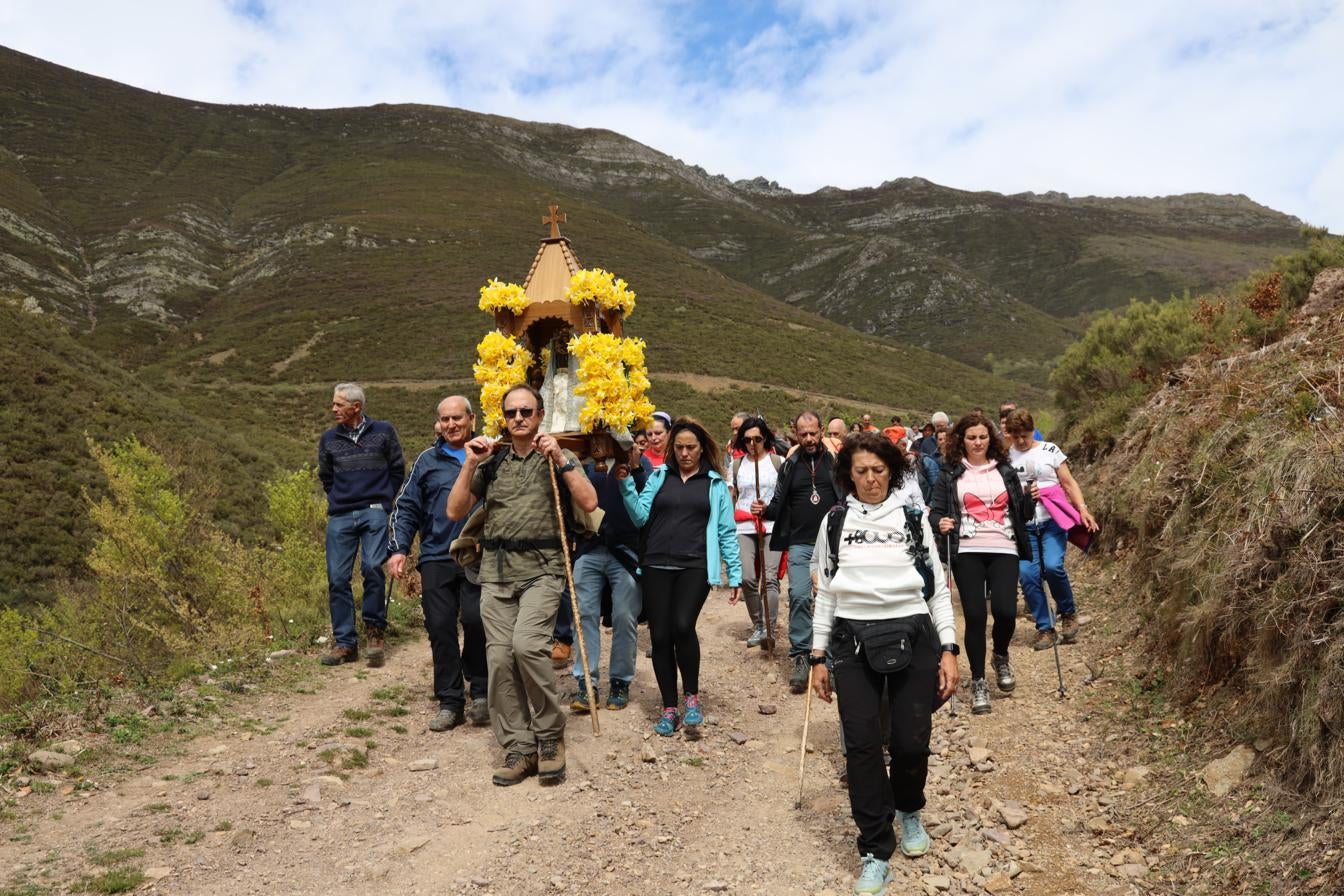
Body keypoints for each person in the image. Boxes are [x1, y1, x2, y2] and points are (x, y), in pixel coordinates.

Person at [810, 431, 960, 890]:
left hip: (914, 635)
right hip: (851, 641)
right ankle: (875, 848)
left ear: (892, 470)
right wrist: (817, 655)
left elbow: (935, 589)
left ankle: (909, 807)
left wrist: (950, 648)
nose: (871, 479)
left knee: (911, 741)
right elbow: (826, 595)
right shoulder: (834, 522)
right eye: (861, 471)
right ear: (847, 475)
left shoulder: (914, 520)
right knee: (861, 745)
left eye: (878, 470)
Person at [446, 384, 598, 787]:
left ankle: (550, 737)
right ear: (503, 417)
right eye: (511, 412)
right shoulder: (490, 463)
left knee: (528, 646)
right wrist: (468, 463)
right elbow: (454, 510)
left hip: (543, 570)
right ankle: (519, 746)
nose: (518, 418)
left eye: (525, 411)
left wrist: (561, 459)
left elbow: (588, 502)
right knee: (498, 661)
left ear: (540, 414)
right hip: (495, 573)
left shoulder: (558, 457)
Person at [620, 417, 741, 738]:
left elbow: (727, 531)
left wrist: (736, 573)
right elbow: (639, 516)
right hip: (657, 563)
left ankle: (692, 699)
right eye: (680, 447)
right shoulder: (660, 477)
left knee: (682, 625)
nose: (685, 453)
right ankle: (669, 707)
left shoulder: (714, 483)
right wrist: (626, 483)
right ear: (673, 449)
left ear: (703, 449)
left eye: (691, 447)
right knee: (660, 636)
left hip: (696, 565)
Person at [388, 396, 488, 730]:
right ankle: (450, 700)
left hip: (479, 554)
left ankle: (483, 690)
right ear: (438, 423)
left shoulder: (489, 455)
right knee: (441, 627)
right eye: (444, 419)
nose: (451, 425)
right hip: (436, 555)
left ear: (471, 418)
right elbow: (407, 507)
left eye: (457, 418)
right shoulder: (427, 461)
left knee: (477, 621)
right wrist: (399, 548)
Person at [929, 412, 1034, 715]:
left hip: (1005, 546)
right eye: (972, 437)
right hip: (967, 550)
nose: (978, 442)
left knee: (1004, 610)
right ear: (961, 440)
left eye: (983, 437)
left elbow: (1022, 513)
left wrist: (1031, 499)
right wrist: (942, 522)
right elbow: (935, 511)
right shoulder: (950, 473)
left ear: (992, 439)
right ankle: (978, 681)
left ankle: (1000, 655)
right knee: (974, 615)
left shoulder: (1006, 470)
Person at [317, 383, 405, 668]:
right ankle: (345, 643)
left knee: (371, 568)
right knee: (337, 578)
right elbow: (326, 476)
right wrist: (340, 499)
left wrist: (383, 501)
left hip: (374, 511)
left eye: (339, 404)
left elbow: (397, 468)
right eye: (334, 404)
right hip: (341, 515)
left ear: (356, 407)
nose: (333, 409)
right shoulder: (329, 438)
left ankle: (375, 633)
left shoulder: (383, 431)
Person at [758, 410, 841, 692]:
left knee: (832, 599)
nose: (808, 439)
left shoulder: (835, 463)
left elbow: (849, 496)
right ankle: (801, 657)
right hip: (800, 543)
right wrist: (764, 510)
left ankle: (829, 657)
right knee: (799, 595)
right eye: (803, 434)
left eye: (813, 433)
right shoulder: (790, 465)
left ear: (821, 432)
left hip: (832, 545)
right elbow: (778, 501)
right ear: (796, 433)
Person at [1003, 409, 1099, 649]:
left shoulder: (1050, 450)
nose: (1022, 441)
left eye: (1025, 435)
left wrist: (1083, 509)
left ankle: (1068, 613)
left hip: (1052, 520)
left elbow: (1068, 482)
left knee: (1054, 566)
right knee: (1028, 575)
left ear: (1032, 430)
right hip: (1024, 526)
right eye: (1016, 437)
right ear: (1010, 435)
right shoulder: (1005, 458)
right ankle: (1045, 628)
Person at [570, 434, 645, 712]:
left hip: (626, 551)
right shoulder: (583, 463)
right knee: (584, 614)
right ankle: (585, 682)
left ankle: (620, 681)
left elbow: (647, 499)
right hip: (589, 548)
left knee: (624, 615)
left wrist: (636, 470)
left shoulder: (636, 460)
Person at [729, 416, 783, 652]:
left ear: (766, 438)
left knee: (770, 579)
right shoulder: (737, 465)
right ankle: (758, 625)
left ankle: (769, 630)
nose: (753, 443)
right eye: (748, 439)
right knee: (748, 578)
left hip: (772, 526)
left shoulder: (777, 462)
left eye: (758, 439)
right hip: (744, 525)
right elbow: (731, 495)